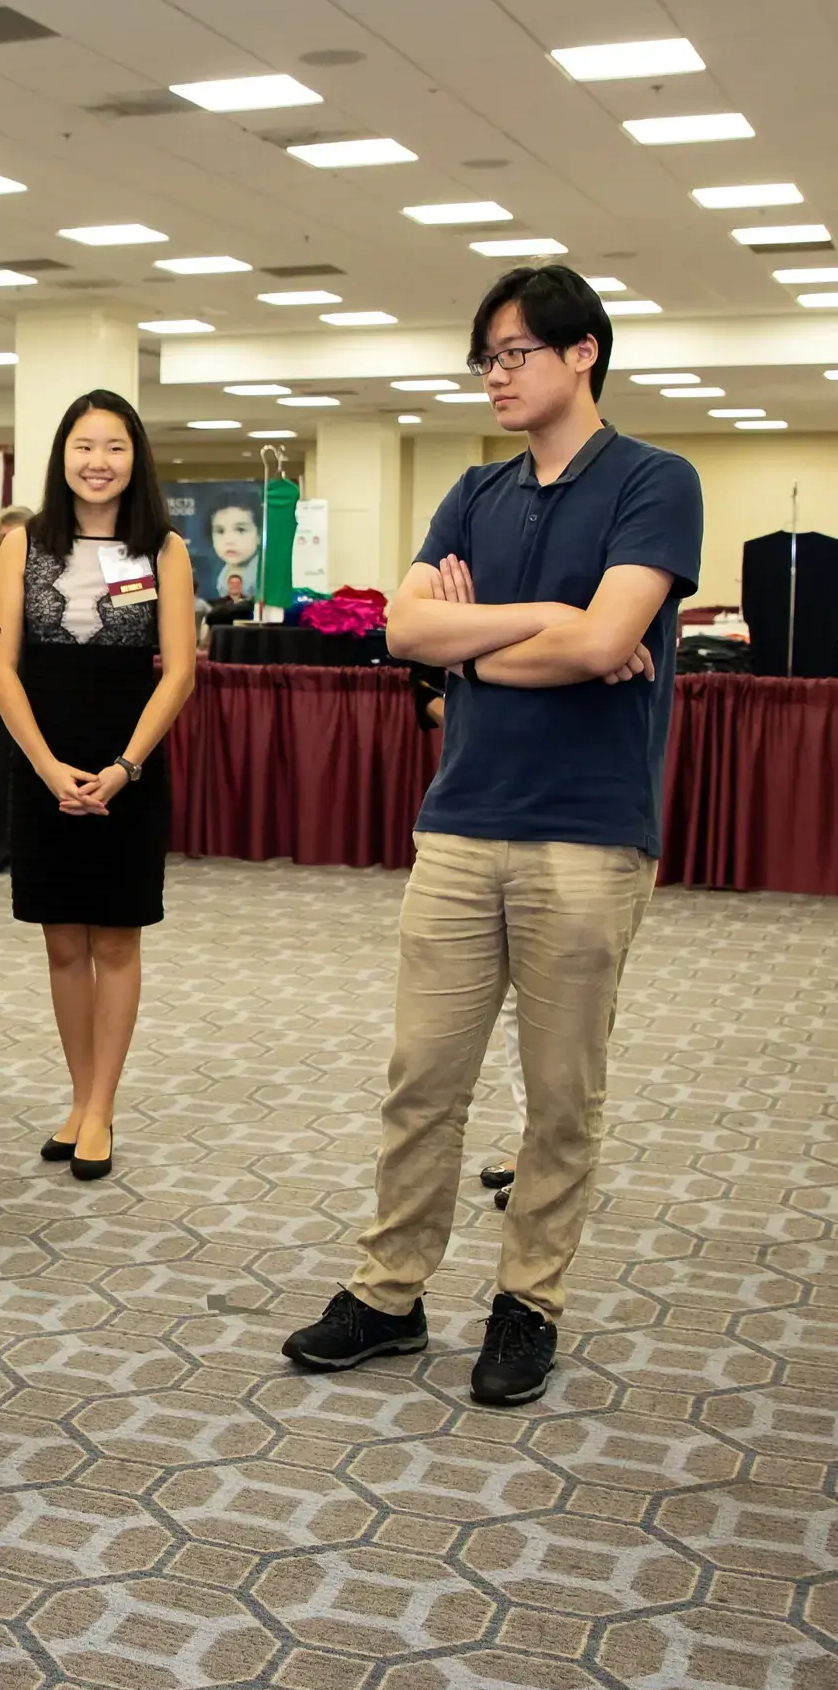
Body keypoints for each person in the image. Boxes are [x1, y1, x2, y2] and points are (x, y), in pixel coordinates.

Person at [282, 264, 700, 1408]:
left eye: (513, 352)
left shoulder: (653, 482)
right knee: (421, 1078)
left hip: (589, 833)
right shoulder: (473, 490)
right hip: (459, 823)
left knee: (559, 1096)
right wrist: (549, 623)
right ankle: (387, 1292)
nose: (494, 375)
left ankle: (528, 1301)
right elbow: (403, 630)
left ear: (581, 353)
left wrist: (476, 644)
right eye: (484, 358)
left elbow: (605, 640)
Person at [0, 391, 196, 1184]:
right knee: (62, 942)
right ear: (61, 455)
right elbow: (0, 669)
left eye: (114, 447)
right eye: (84, 446)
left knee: (115, 938)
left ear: (135, 458)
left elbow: (179, 672)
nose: (98, 462)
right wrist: (46, 767)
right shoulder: (22, 544)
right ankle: (79, 1098)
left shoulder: (163, 549)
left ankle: (101, 1106)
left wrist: (125, 767)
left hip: (127, 764)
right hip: (43, 761)